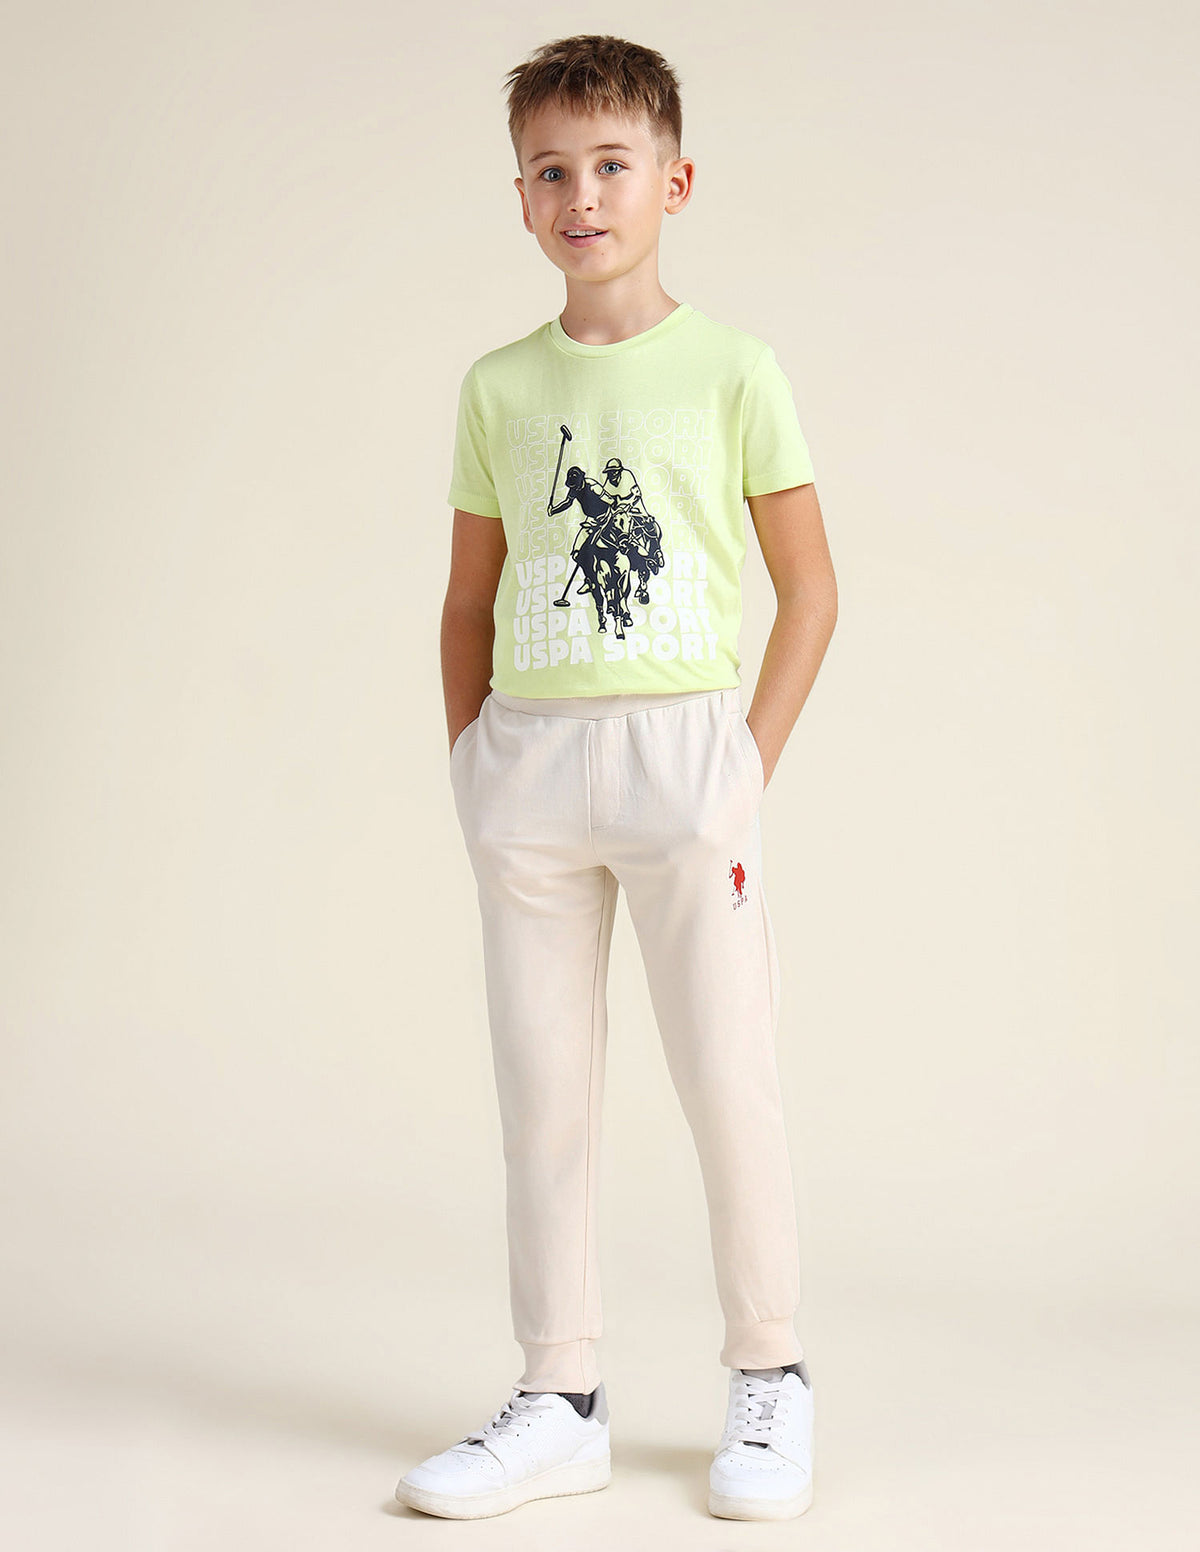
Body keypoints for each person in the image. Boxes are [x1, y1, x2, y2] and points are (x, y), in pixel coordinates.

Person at [394, 32, 838, 1525]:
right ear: (521, 198)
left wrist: (741, 766)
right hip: (530, 766)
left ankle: (770, 1369)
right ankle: (559, 1394)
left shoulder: (734, 370)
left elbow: (813, 588)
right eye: (550, 171)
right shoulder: (498, 387)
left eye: (610, 165)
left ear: (674, 182)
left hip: (682, 759)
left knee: (727, 1075)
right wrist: (473, 759)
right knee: (543, 1097)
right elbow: (468, 596)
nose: (581, 196)